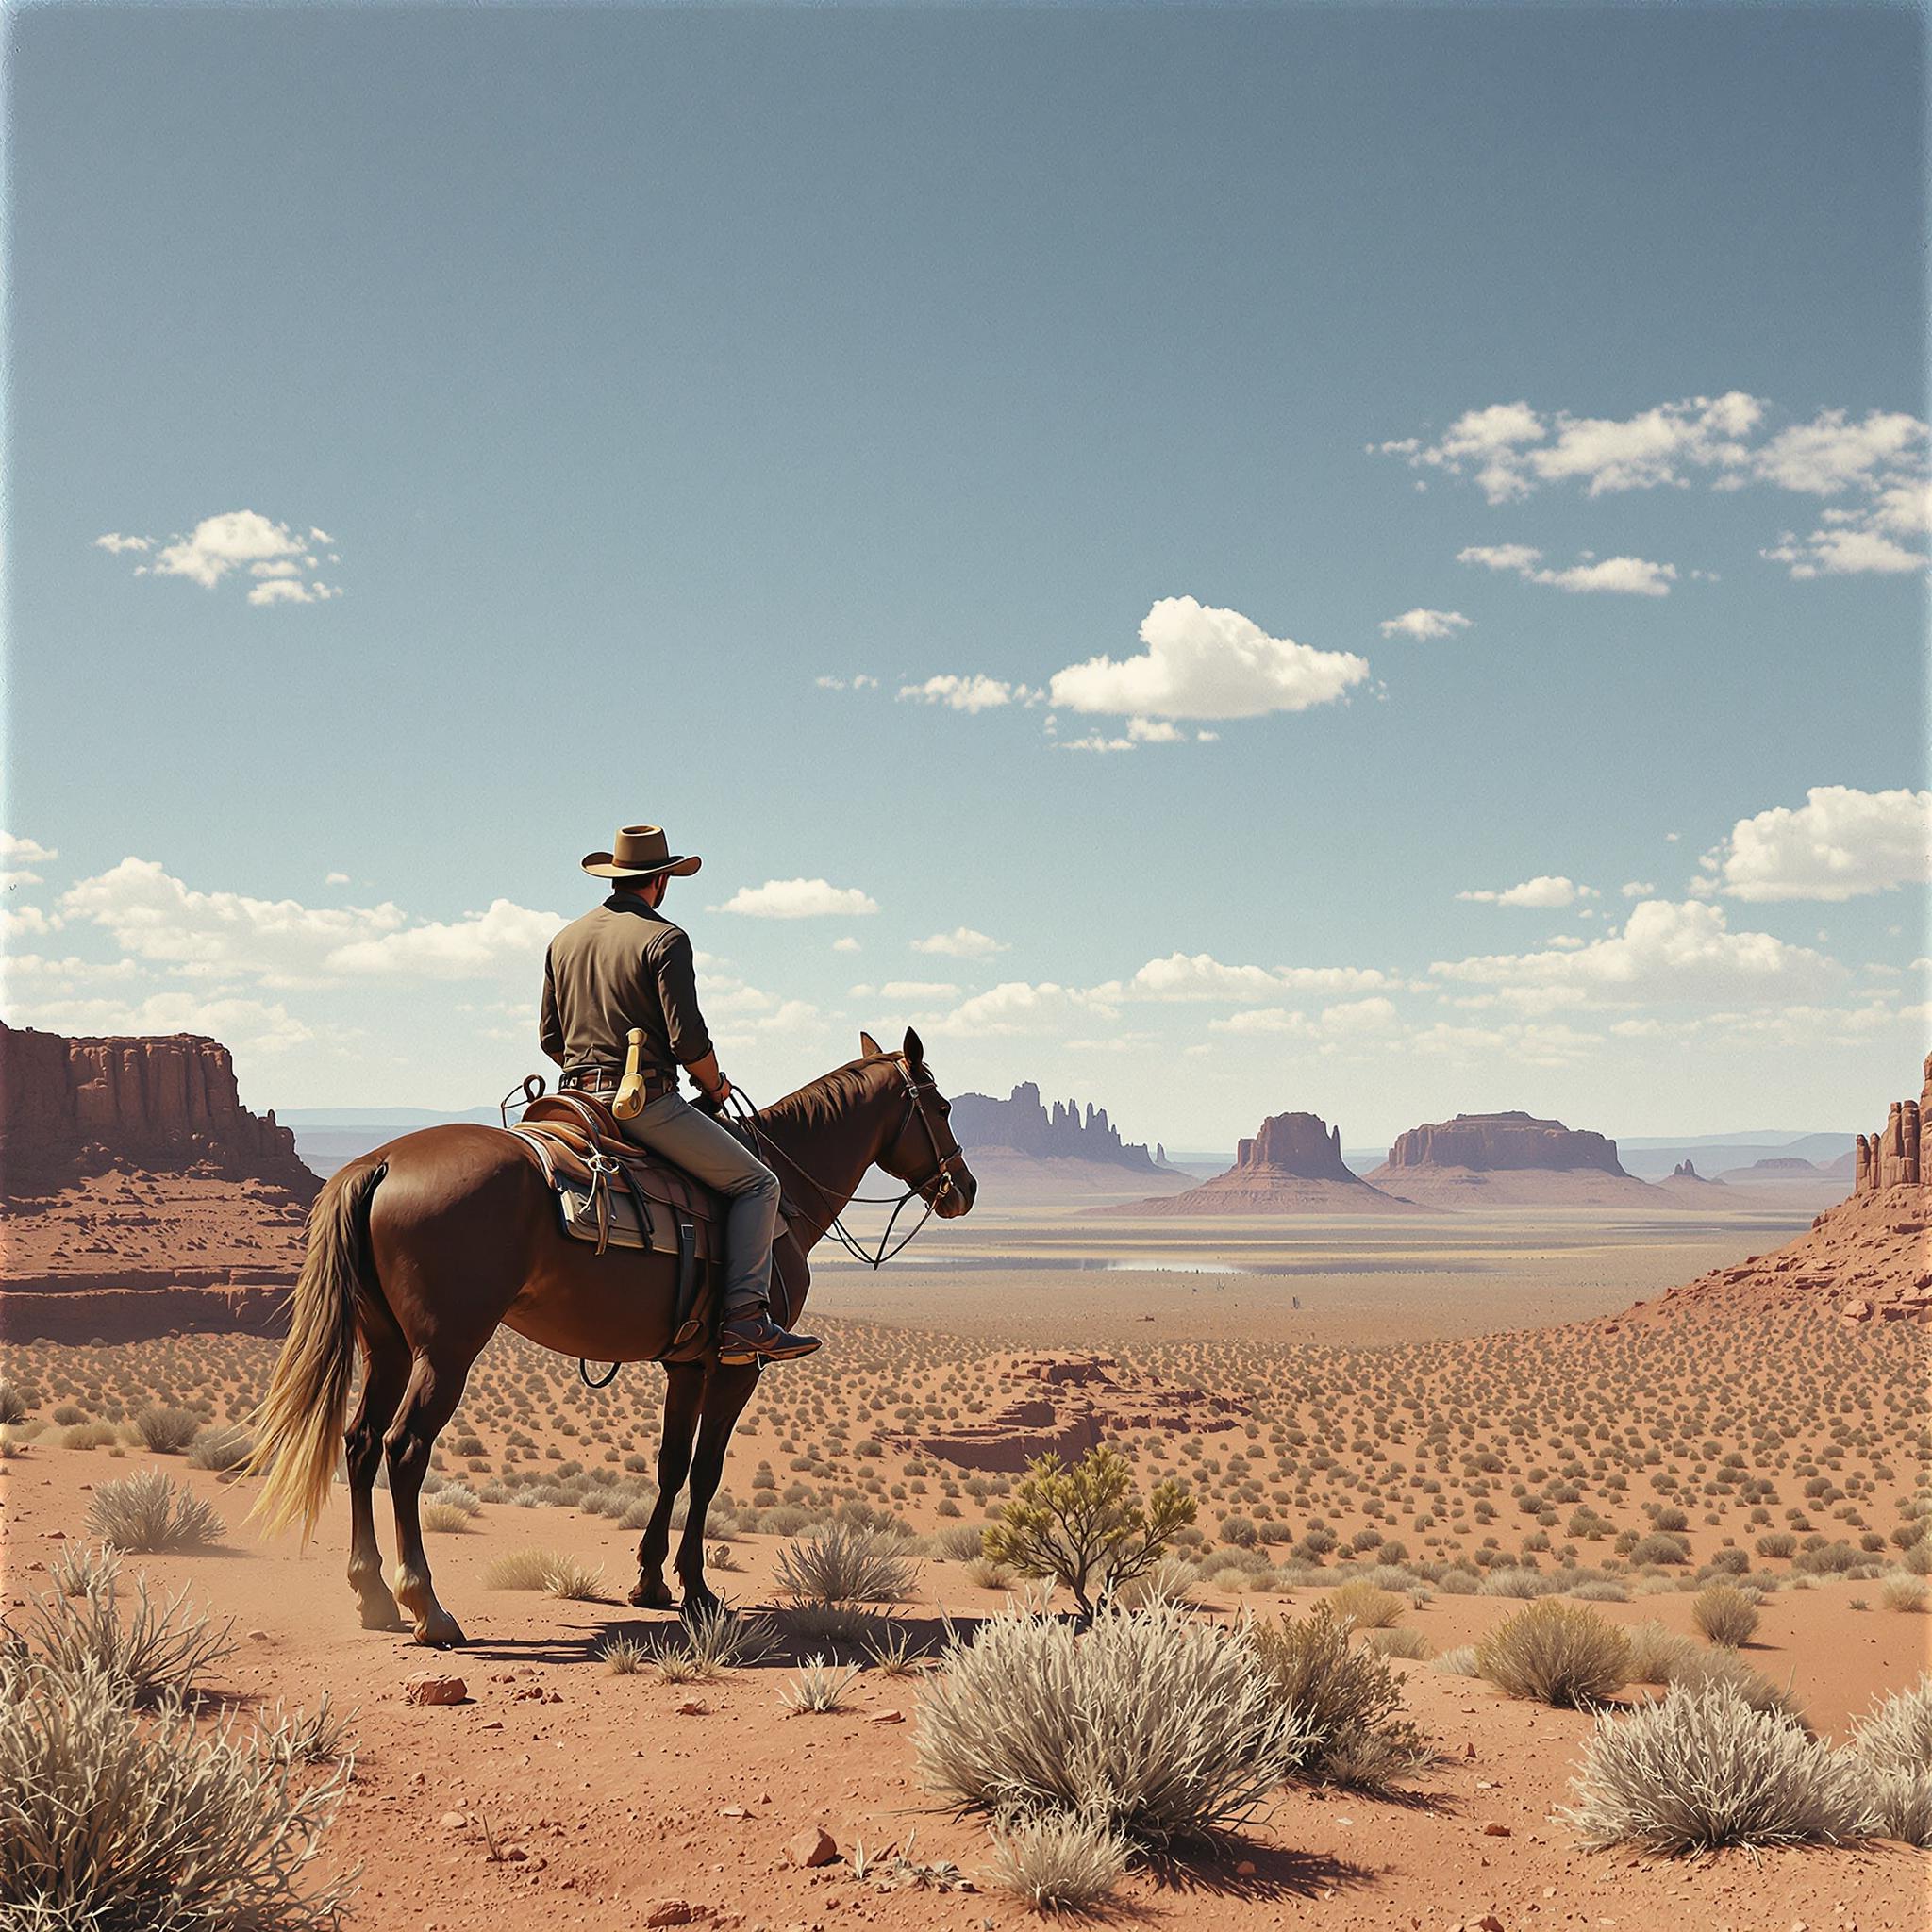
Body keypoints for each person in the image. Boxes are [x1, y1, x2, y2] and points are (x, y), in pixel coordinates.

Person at [540, 824, 821, 1365]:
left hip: (569, 1104)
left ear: (616, 877)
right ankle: (744, 1320)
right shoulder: (665, 939)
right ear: (661, 880)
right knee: (759, 1184)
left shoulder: (564, 940)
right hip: (641, 1105)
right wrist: (714, 1084)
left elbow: (551, 1039)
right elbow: (687, 1040)